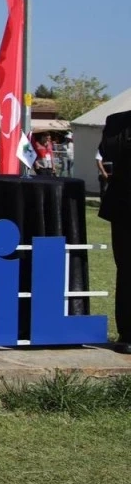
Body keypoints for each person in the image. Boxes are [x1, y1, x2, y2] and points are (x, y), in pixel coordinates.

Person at [98, 110, 131, 353]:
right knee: (127, 269)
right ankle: (127, 332)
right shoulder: (116, 122)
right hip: (124, 207)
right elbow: (110, 151)